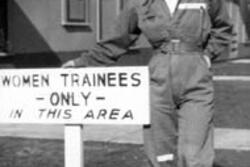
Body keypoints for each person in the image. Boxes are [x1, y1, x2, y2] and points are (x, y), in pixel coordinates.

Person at [63, 0, 233, 167]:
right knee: (161, 152)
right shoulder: (140, 3)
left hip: (196, 77)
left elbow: (223, 28)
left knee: (195, 154)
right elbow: (117, 40)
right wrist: (82, 63)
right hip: (158, 79)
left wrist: (208, 55)